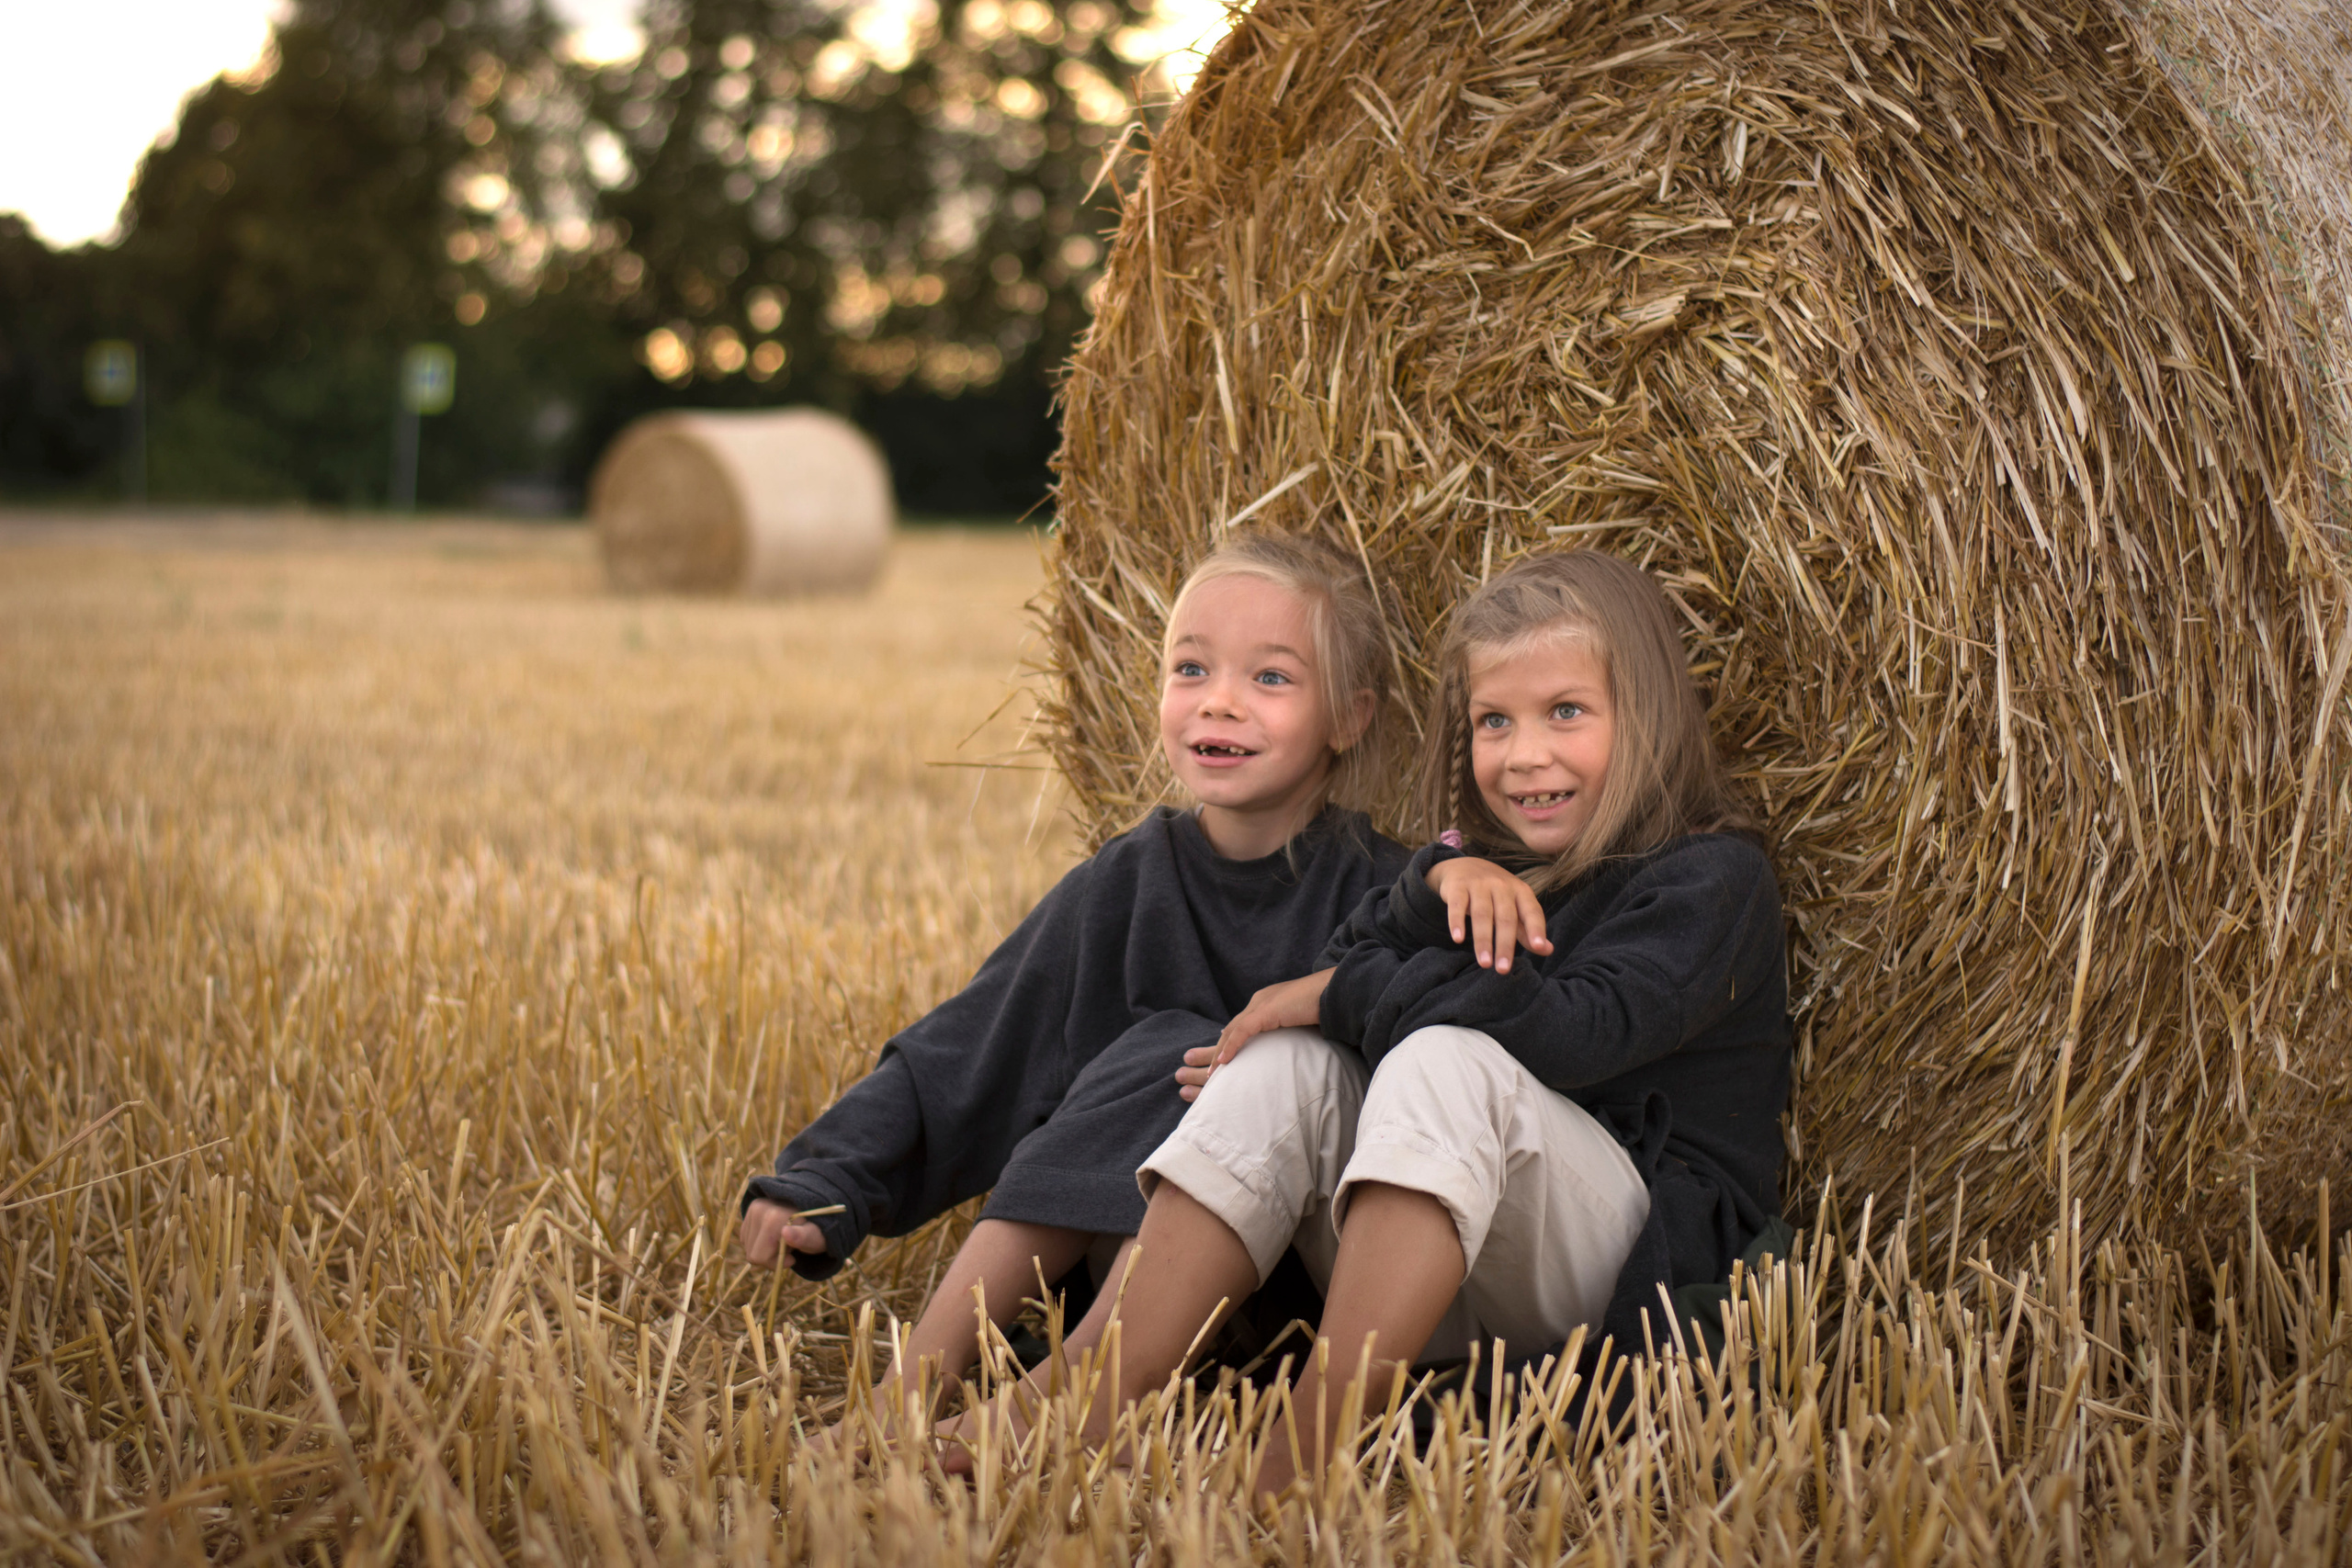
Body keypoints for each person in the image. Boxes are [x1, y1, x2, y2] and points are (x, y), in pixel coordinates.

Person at [1004, 548, 1792, 1494]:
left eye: (1566, 713)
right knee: (1290, 1060)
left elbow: (1576, 1031)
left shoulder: (1709, 879)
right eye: (1492, 722)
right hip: (1431, 1262)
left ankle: (1309, 1445)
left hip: (1616, 1263)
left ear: (1649, 716)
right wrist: (1433, 884)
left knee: (1445, 1055)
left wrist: (1337, 994)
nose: (1524, 754)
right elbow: (1355, 960)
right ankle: (1095, 1388)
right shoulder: (1471, 874)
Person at [737, 528, 1412, 1435]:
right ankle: (909, 1394)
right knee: (1155, 1051)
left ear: (1351, 718)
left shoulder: (1388, 892)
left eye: (1271, 679)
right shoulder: (1126, 882)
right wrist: (825, 1177)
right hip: (1112, 1246)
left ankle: (1055, 1407)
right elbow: (971, 1045)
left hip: (1291, 1282)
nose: (1220, 703)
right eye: (1190, 670)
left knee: (1182, 1054)